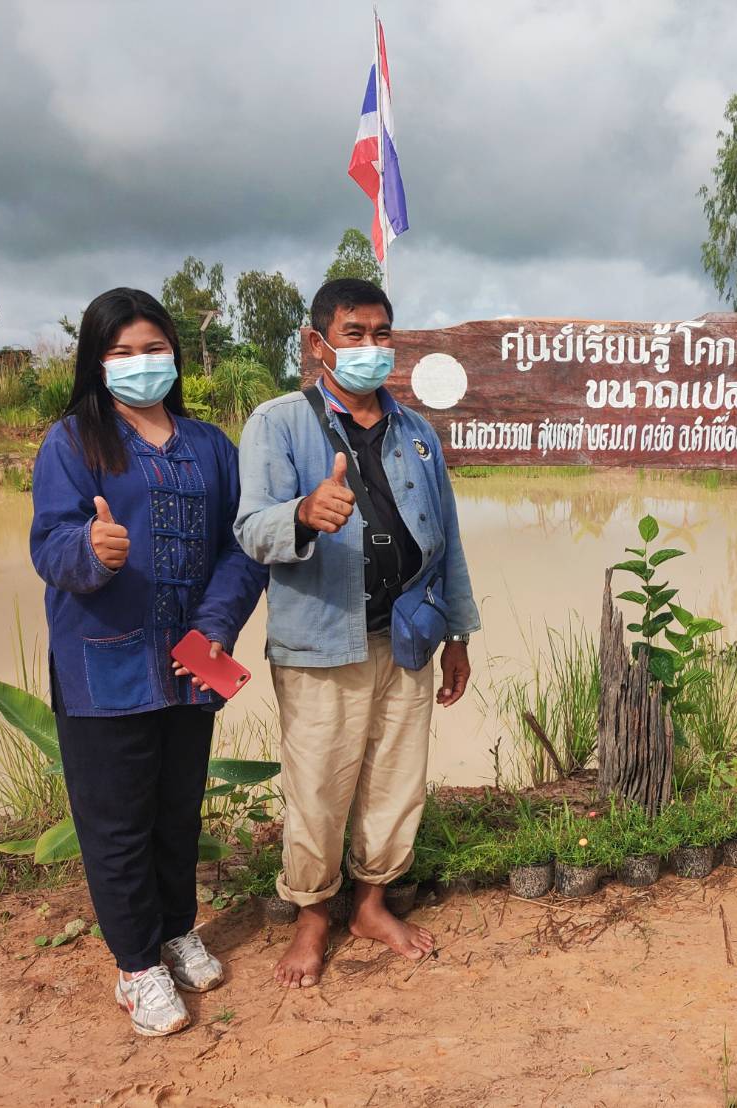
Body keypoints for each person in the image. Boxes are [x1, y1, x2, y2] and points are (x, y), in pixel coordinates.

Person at [29, 288, 266, 1037]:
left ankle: (174, 929)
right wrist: (87, 550)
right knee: (117, 823)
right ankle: (136, 968)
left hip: (193, 659)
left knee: (174, 811)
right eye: (123, 352)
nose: (141, 364)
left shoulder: (209, 446)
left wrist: (217, 623)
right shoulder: (72, 442)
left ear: (176, 355)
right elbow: (48, 543)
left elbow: (241, 545)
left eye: (154, 348)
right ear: (97, 364)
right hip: (107, 666)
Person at [235, 278, 480, 989]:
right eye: (353, 334)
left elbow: (449, 542)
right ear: (317, 344)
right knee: (317, 791)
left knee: (395, 783)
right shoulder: (278, 424)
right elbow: (250, 531)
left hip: (408, 638)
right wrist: (304, 513)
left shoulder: (416, 433)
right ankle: (312, 915)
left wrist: (458, 632)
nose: (371, 349)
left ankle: (370, 903)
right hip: (320, 642)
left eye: (381, 334)